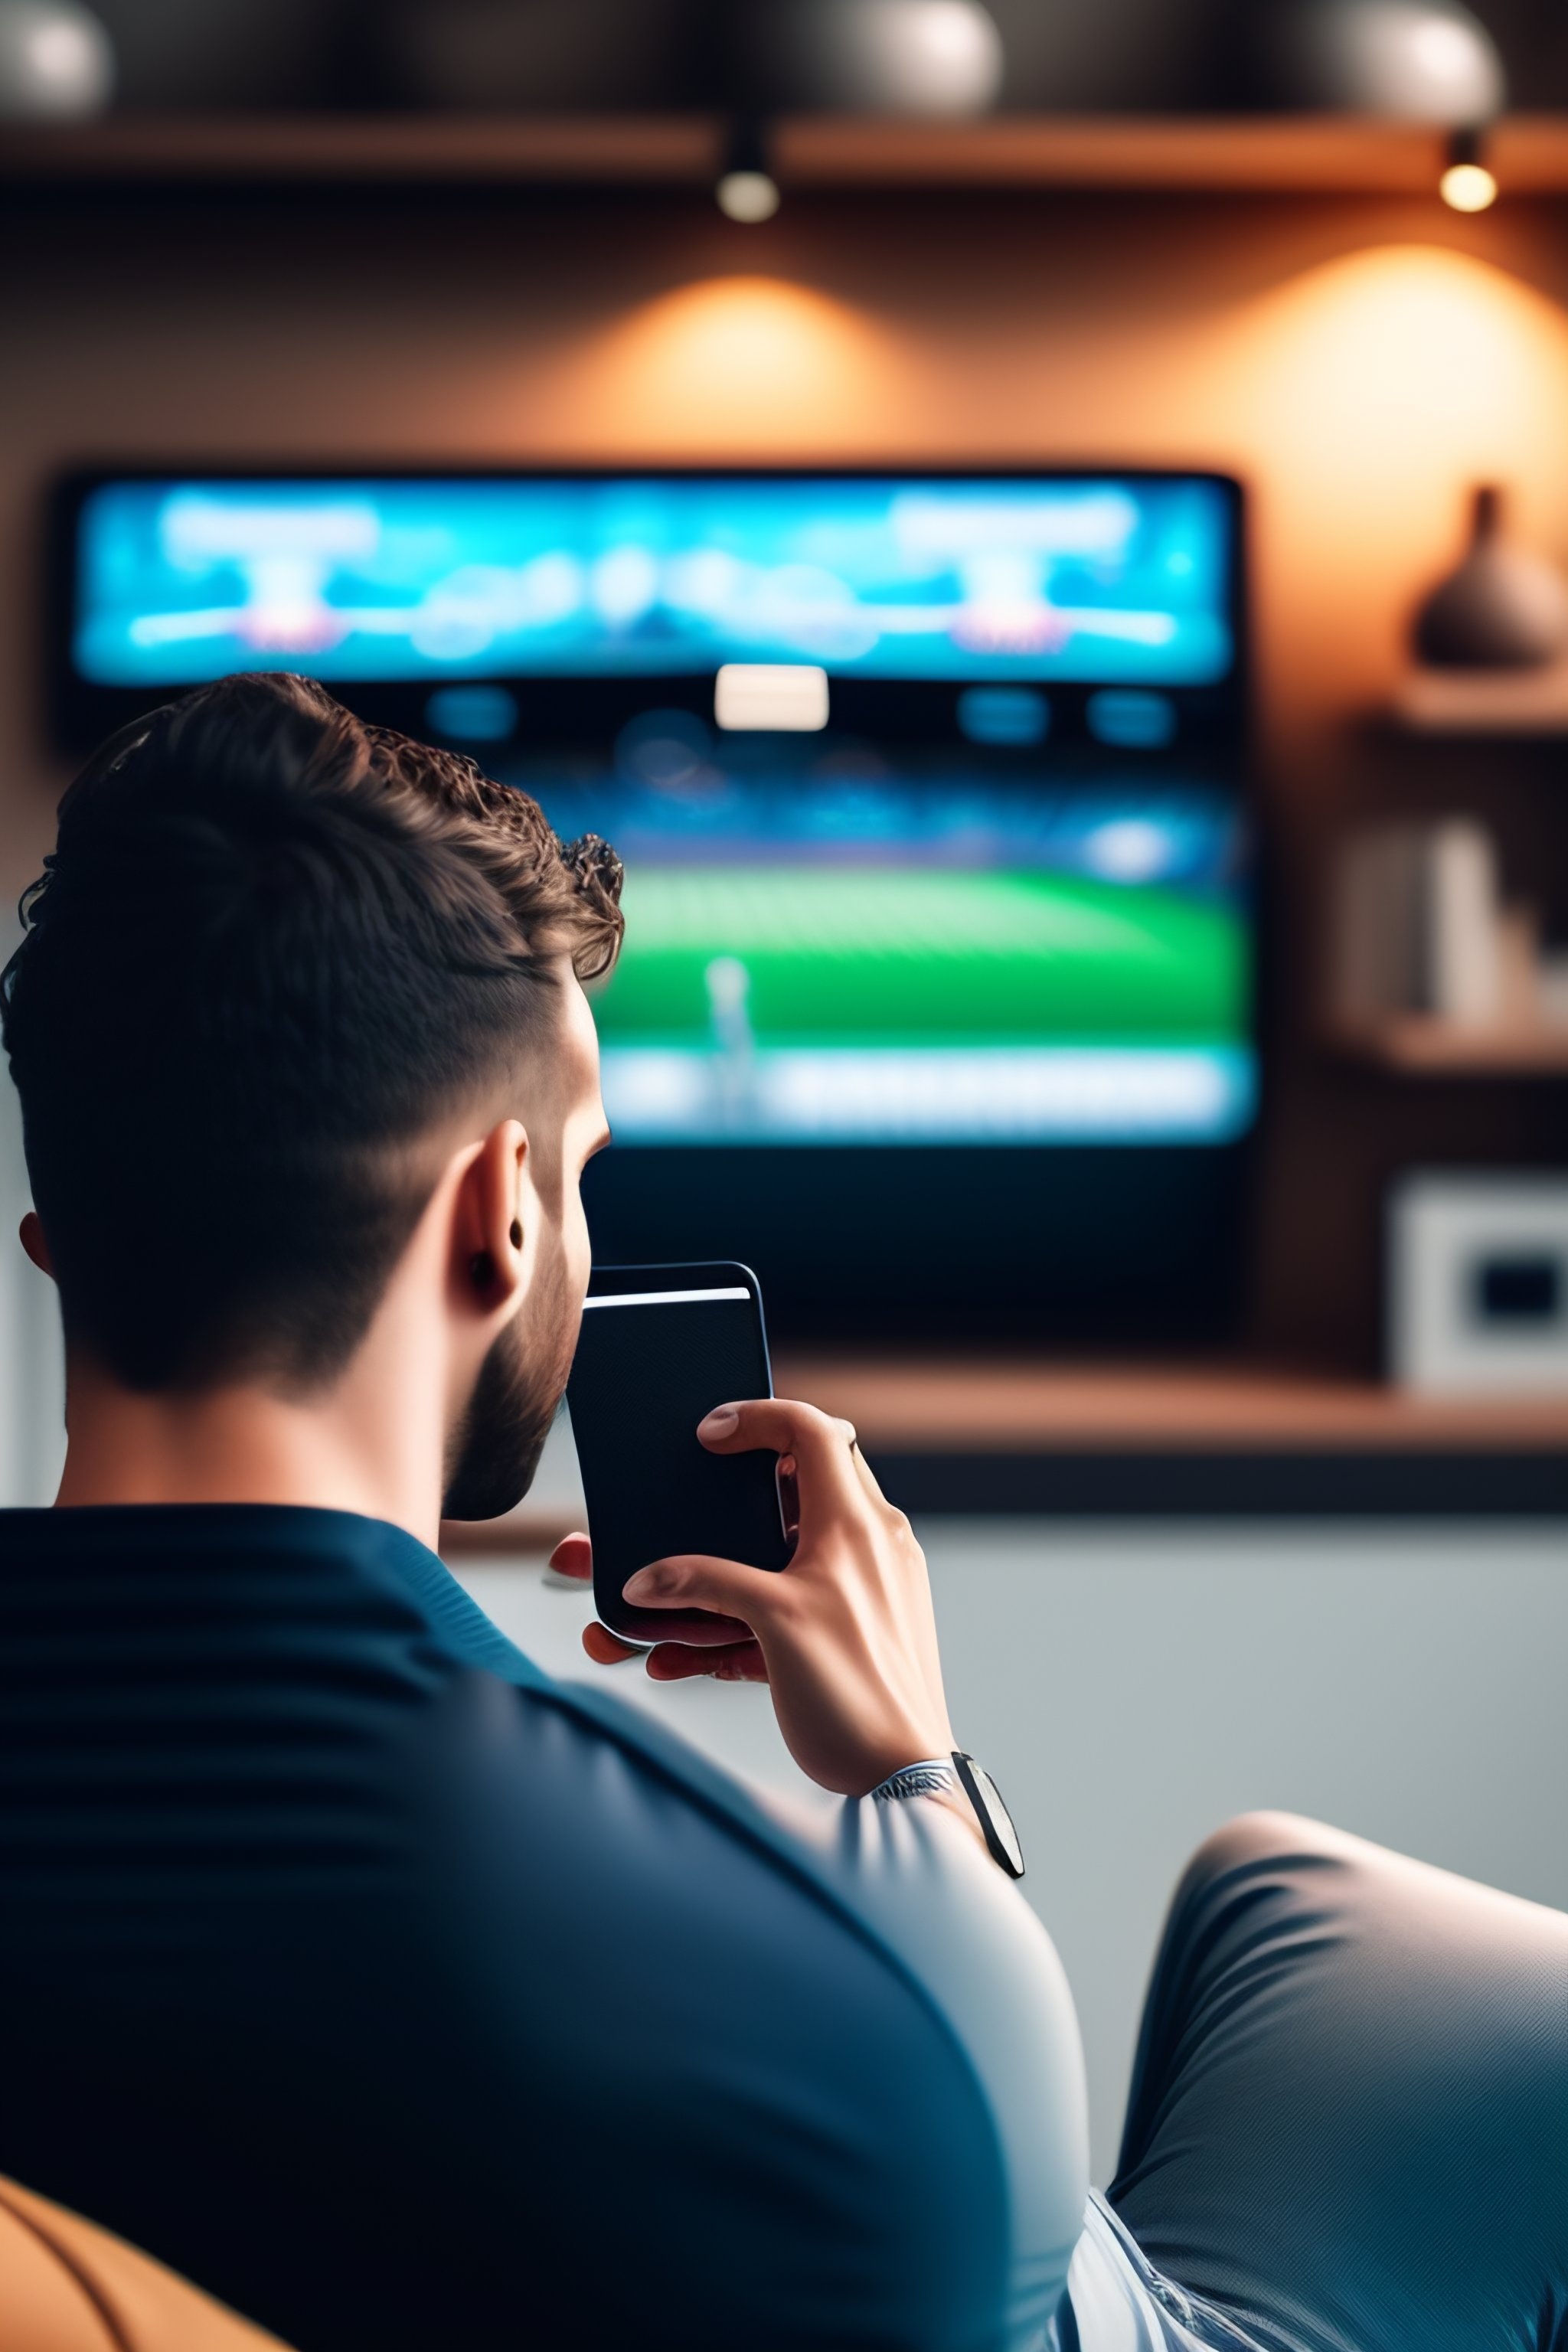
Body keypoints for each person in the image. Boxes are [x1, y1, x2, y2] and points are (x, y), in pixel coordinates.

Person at [0, 674, 1561, 2352]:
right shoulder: (825, 1995)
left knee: (1284, 1898)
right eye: (582, 1173)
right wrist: (918, 1783)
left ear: (57, 1245)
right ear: (500, 1218)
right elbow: (996, 2224)